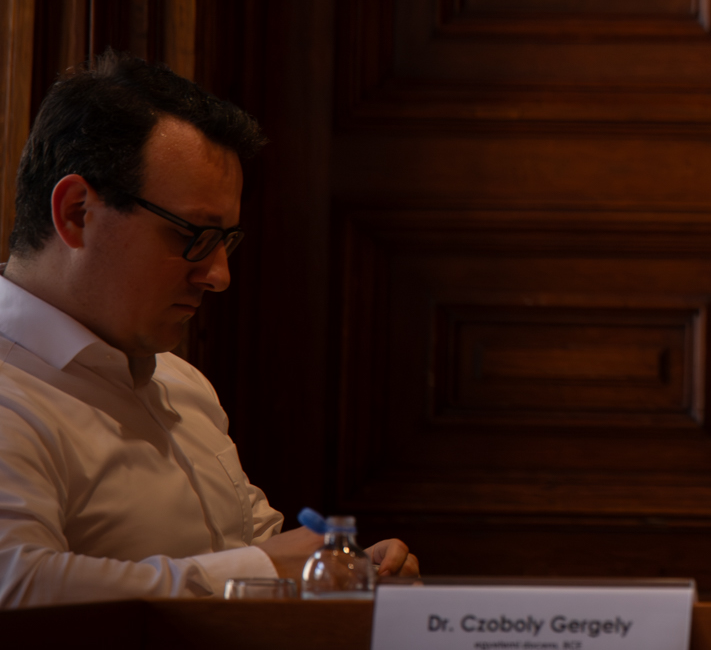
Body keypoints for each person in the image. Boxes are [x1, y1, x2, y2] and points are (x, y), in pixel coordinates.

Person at [0, 52, 419, 606]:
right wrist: (262, 568)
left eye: (226, 241)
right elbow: (15, 586)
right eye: (192, 235)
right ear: (77, 212)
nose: (219, 275)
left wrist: (340, 572)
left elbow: (250, 550)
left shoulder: (182, 384)